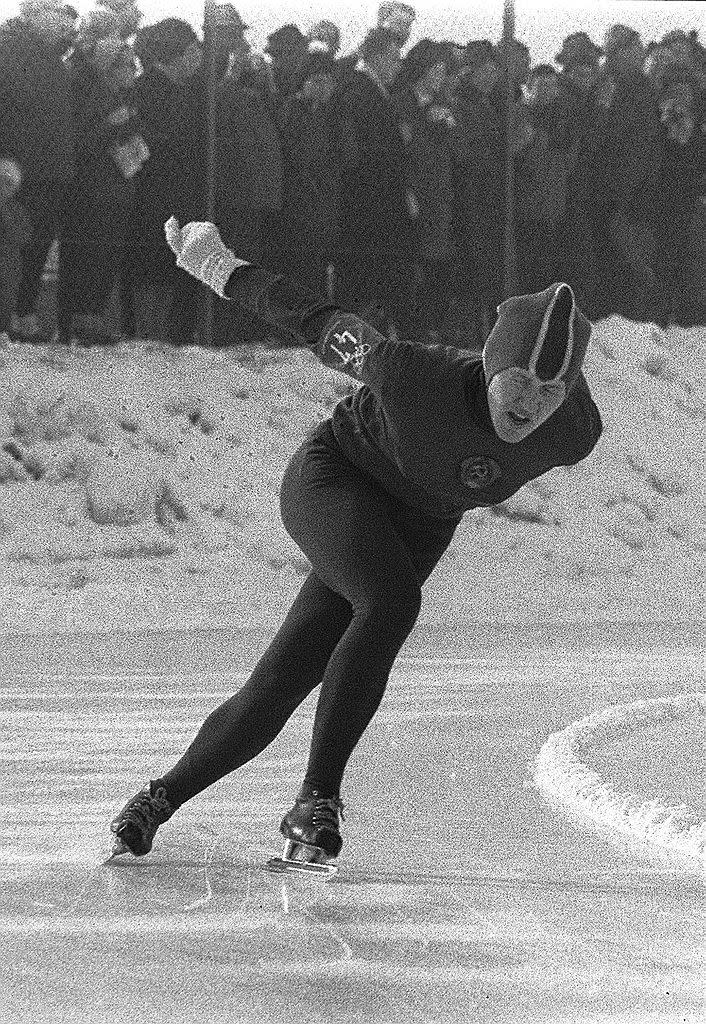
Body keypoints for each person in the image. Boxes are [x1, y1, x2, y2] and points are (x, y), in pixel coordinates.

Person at [109, 216, 603, 869]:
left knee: (287, 677)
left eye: (549, 391)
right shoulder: (407, 373)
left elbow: (555, 392)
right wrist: (219, 267)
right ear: (491, 361)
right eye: (520, 381)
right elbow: (317, 321)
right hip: (335, 478)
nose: (530, 404)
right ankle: (318, 798)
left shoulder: (572, 431)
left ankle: (157, 800)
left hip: (420, 523)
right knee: (391, 604)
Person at [57, 32, 147, 344]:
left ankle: (91, 317)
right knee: (89, 256)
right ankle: (80, 320)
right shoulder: (91, 95)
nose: (129, 69)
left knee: (107, 256)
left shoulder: (125, 98)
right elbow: (80, 141)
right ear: (108, 67)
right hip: (92, 190)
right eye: (122, 64)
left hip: (117, 187)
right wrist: (112, 126)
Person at [329, 27, 416, 337]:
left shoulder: (369, 90)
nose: (398, 66)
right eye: (394, 59)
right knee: (365, 274)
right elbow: (359, 151)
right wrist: (397, 143)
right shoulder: (357, 91)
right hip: (368, 201)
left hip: (375, 199)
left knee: (374, 273)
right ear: (377, 57)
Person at [0, 0, 77, 343]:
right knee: (17, 247)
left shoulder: (51, 59)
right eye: (54, 12)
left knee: (34, 247)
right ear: (33, 15)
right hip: (23, 168)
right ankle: (14, 315)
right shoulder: (10, 53)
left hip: (49, 167)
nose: (61, 20)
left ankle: (23, 315)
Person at [391, 39, 456, 343]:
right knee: (414, 260)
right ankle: (411, 327)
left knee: (437, 260)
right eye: (435, 70)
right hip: (415, 193)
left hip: (439, 194)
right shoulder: (403, 104)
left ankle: (432, 323)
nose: (440, 76)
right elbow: (400, 150)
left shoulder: (443, 106)